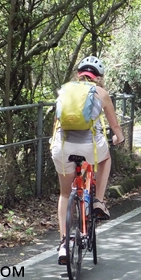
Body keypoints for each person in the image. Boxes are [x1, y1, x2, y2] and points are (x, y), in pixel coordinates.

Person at [51, 56, 125, 261]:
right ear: (99, 78)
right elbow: (115, 127)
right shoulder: (101, 93)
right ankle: (98, 202)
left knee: (65, 194)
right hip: (90, 147)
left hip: (63, 146)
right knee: (106, 159)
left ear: (79, 74)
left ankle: (64, 244)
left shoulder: (64, 91)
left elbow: (57, 123)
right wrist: (119, 137)